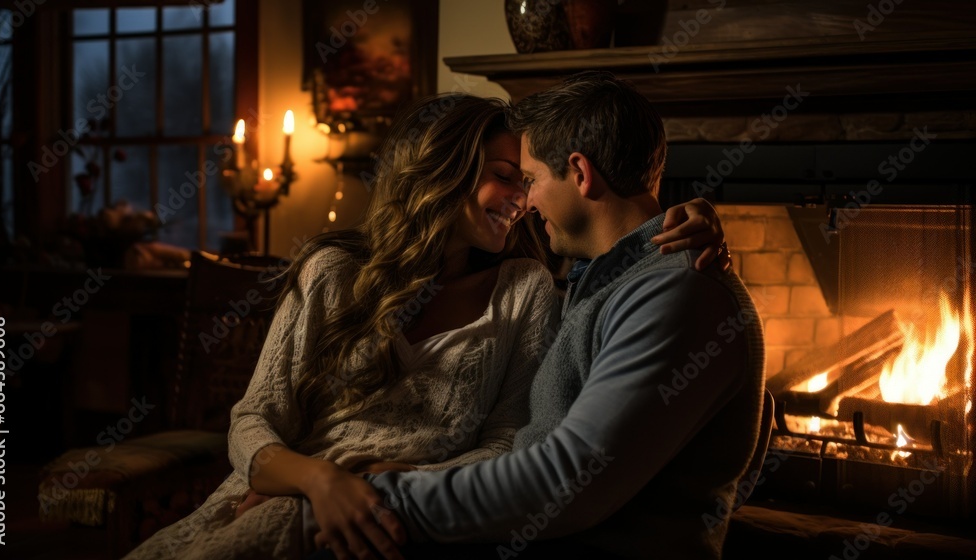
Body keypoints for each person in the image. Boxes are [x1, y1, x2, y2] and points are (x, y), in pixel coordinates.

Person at [123, 92, 726, 560]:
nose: (522, 198)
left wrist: (385, 479)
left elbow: (509, 439)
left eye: (528, 178)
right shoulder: (332, 272)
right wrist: (317, 481)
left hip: (409, 516)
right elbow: (254, 419)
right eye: (504, 174)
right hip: (281, 493)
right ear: (443, 170)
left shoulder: (524, 290)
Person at [311, 72, 766, 560]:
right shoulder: (601, 283)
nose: (525, 203)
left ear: (580, 172)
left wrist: (372, 500)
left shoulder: (677, 289)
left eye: (529, 180)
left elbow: (565, 479)